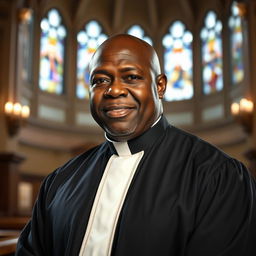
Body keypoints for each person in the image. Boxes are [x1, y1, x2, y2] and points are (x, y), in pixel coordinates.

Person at [16, 34, 256, 256]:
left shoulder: (218, 176)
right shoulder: (60, 181)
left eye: (131, 77)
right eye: (100, 80)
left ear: (160, 86)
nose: (114, 90)